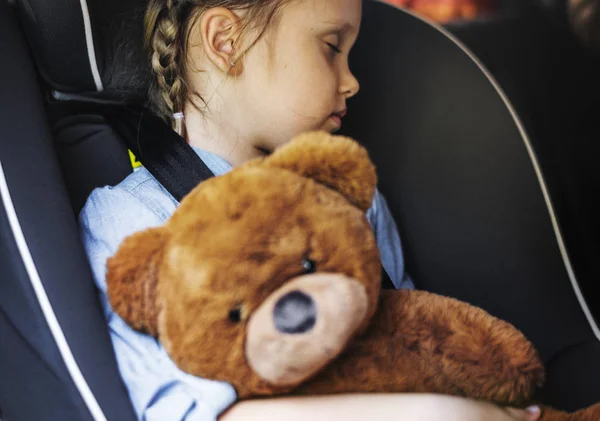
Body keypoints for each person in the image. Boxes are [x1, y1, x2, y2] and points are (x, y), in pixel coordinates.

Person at [79, 0, 541, 420]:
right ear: (226, 42)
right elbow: (183, 412)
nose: (352, 80)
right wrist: (444, 415)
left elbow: (404, 330)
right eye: (331, 47)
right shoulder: (131, 220)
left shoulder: (343, 194)